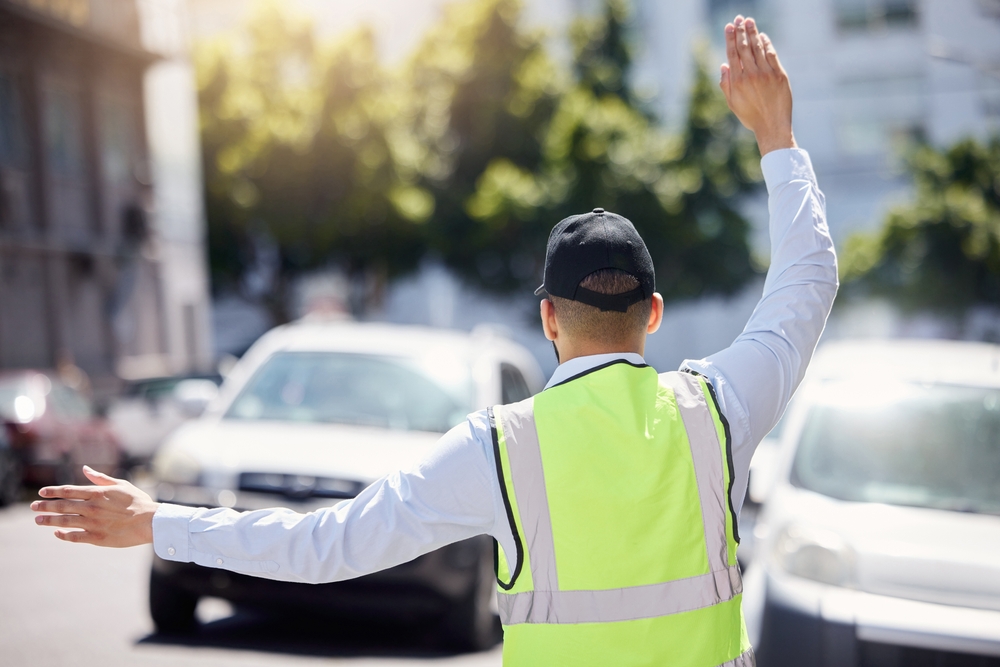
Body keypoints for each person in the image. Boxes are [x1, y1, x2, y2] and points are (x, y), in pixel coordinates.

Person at [31, 16, 837, 667]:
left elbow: (328, 543)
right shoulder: (720, 412)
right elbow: (808, 281)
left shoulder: (500, 448)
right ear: (652, 312)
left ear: (548, 318)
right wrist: (776, 136)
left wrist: (159, 520)